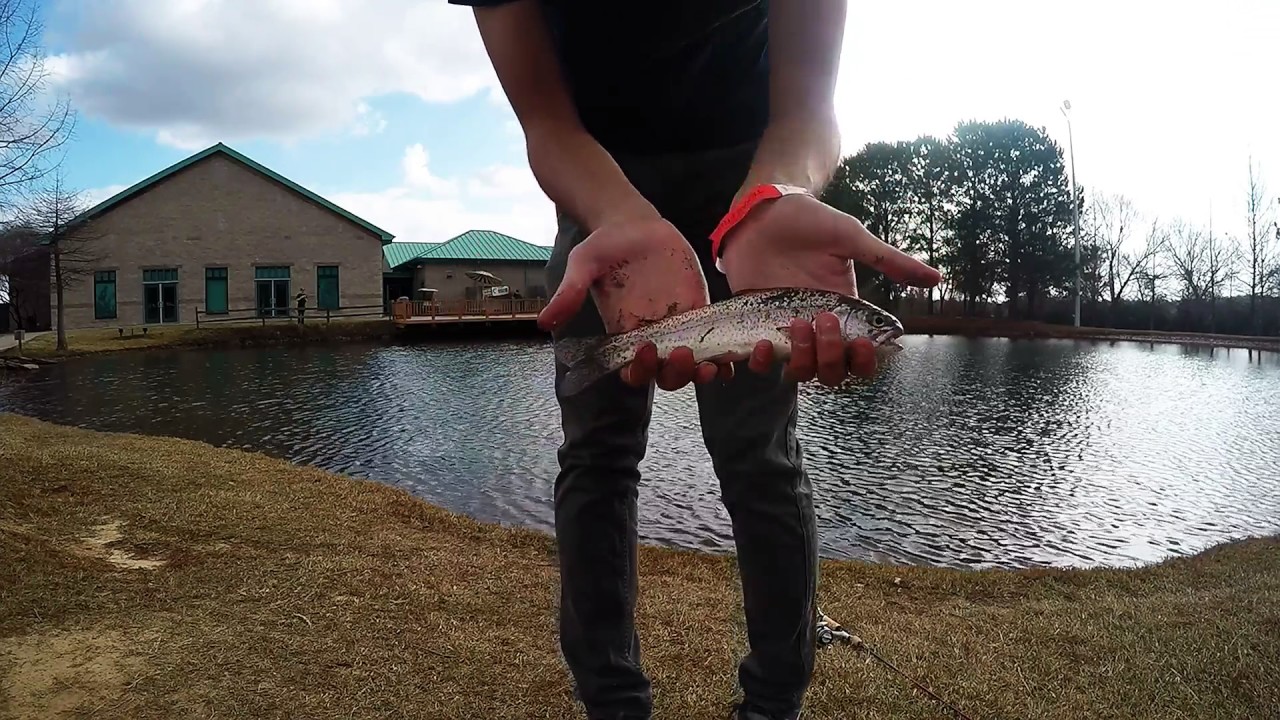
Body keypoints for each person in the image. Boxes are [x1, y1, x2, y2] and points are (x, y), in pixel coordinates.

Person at [451, 2, 942, 719]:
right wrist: (615, 212)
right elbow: (548, 123)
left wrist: (779, 193)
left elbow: (807, 109)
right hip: (599, 186)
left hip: (752, 188)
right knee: (596, 460)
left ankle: (772, 706)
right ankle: (613, 705)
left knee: (761, 462)